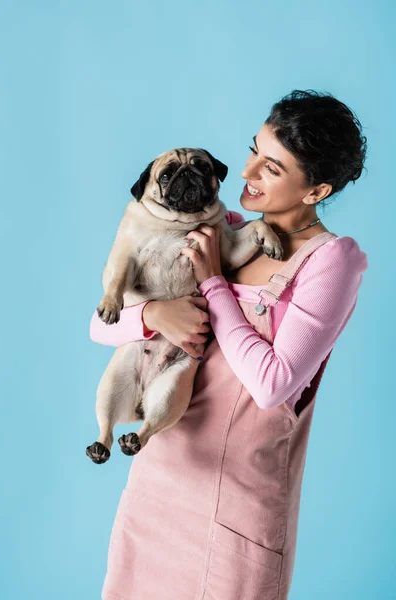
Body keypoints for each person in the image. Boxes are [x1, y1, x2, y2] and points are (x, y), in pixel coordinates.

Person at [90, 89, 368, 600]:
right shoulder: (224, 229)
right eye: (253, 150)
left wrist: (214, 283)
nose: (246, 172)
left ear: (316, 190)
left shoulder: (332, 261)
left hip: (234, 505)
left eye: (272, 168)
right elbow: (100, 326)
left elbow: (272, 384)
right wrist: (153, 314)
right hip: (157, 479)